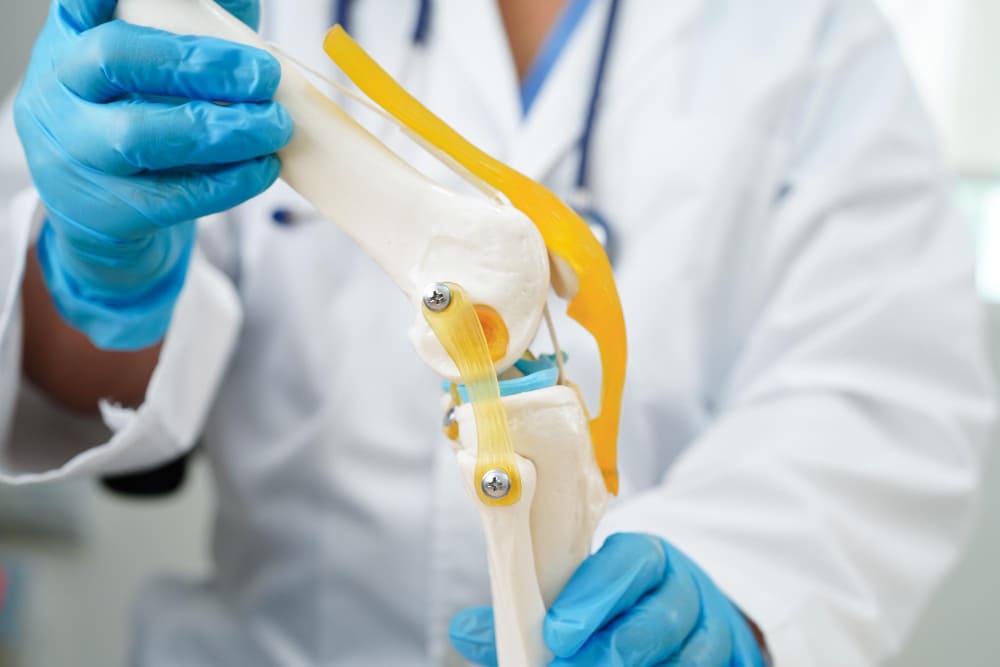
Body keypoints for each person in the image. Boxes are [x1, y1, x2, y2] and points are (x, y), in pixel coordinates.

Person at [0, 0, 994, 665]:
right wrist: (95, 266)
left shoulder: (815, 37)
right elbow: (75, 381)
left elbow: (880, 387)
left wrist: (732, 594)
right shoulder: (226, 12)